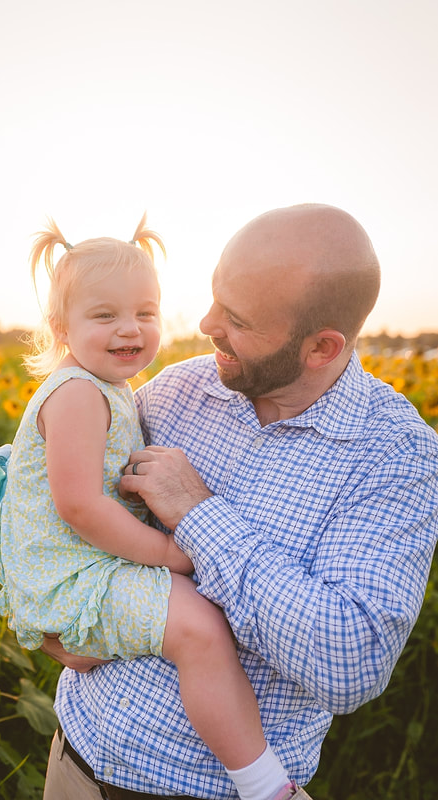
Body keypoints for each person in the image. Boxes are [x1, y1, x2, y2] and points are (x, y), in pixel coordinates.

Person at [41, 204, 438, 799]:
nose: (205, 324)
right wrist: (44, 619)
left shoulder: (394, 454)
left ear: (321, 348)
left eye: (237, 318)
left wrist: (199, 517)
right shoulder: (176, 389)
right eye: (213, 298)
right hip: (74, 761)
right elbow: (60, 502)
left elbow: (350, 661)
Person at [0, 215, 295, 800]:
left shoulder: (106, 386)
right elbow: (80, 507)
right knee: (198, 629)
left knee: (197, 622)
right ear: (61, 326)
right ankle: (265, 784)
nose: (130, 330)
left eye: (145, 313)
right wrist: (169, 552)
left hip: (85, 564)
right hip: (72, 573)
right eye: (105, 315)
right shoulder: (77, 396)